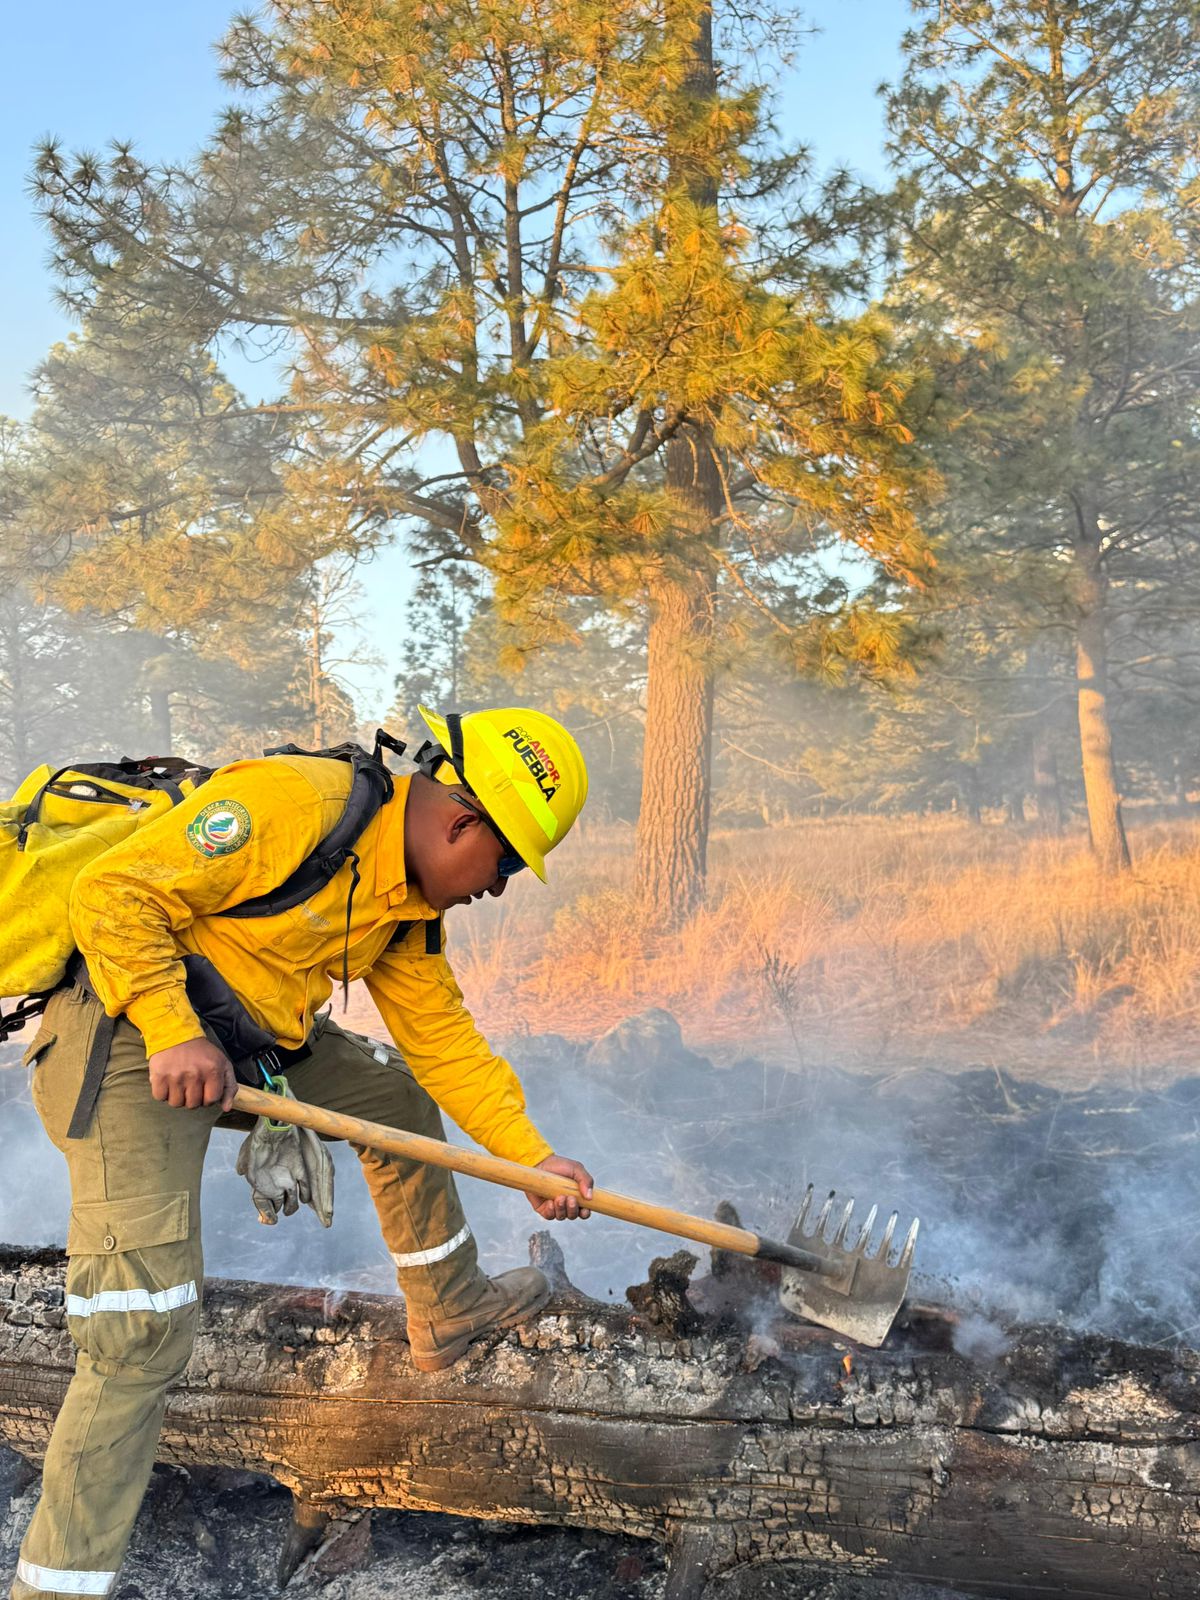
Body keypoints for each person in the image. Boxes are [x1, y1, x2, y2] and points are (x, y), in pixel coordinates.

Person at [10, 705, 593, 1600]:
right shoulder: (294, 804)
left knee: (394, 1099)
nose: (501, 887)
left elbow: (447, 1050)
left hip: (241, 1048)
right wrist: (171, 1031)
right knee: (139, 1331)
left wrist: (531, 1159)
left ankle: (449, 1311)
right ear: (462, 820)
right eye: (507, 862)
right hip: (126, 1041)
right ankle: (54, 1587)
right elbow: (113, 895)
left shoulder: (402, 906)